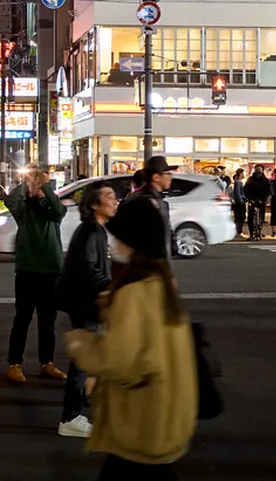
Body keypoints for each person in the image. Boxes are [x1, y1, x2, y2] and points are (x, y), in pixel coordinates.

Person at [64, 197, 198, 480]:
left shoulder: (133, 293)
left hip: (139, 421)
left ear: (134, 242)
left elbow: (120, 361)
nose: (114, 245)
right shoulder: (162, 283)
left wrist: (81, 344)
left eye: (120, 239)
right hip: (166, 413)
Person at [57, 182, 117, 440]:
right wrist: (110, 287)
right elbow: (88, 269)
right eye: (109, 196)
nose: (115, 201)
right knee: (83, 360)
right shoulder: (91, 232)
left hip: (85, 301)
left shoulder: (95, 230)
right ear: (94, 204)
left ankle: (81, 402)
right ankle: (70, 417)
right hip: (84, 302)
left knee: (89, 356)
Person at [4, 169, 68, 384]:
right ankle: (14, 364)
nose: (38, 187)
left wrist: (45, 185)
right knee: (22, 319)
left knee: (47, 321)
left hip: (50, 271)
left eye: (41, 185)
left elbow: (58, 210)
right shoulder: (23, 209)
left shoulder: (53, 210)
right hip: (27, 271)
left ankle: (47, 362)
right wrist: (26, 181)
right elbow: (10, 201)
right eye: (35, 184)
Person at [130, 156, 175, 257]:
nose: (171, 177)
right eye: (168, 174)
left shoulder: (158, 199)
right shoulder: (143, 202)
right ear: (156, 177)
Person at [244, 165, 271, 242]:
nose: (258, 171)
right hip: (252, 200)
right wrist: (250, 198)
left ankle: (259, 233)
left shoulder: (265, 180)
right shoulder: (250, 179)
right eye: (257, 169)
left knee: (261, 217)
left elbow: (269, 191)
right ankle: (251, 234)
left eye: (260, 169)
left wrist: (265, 199)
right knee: (250, 218)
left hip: (262, 201)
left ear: (262, 170)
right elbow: (246, 189)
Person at [230, 169, 246, 238]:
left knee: (239, 217)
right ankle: (239, 231)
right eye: (243, 173)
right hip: (239, 203)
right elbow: (237, 192)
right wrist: (241, 201)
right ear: (240, 174)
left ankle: (237, 231)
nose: (244, 175)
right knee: (240, 217)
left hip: (239, 202)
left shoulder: (239, 182)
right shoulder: (238, 182)